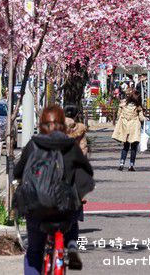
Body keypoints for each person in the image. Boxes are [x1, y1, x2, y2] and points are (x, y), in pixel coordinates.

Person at [14, 105, 94, 274]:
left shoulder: (33, 145)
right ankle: (71, 245)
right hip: (64, 209)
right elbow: (86, 173)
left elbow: (18, 171)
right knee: (73, 213)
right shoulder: (71, 146)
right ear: (62, 125)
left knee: (34, 250)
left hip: (36, 208)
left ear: (41, 124)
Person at [112, 88, 146, 171]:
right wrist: (145, 119)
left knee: (125, 147)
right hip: (134, 127)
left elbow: (118, 115)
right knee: (134, 147)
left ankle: (122, 163)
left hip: (125, 127)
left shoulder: (123, 104)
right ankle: (131, 165)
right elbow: (141, 118)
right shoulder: (138, 107)